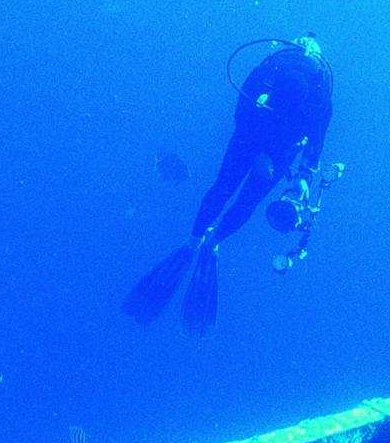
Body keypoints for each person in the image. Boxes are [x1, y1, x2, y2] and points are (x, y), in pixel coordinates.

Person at [125, 35, 334, 333]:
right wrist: (283, 166)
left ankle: (201, 239)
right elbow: (303, 135)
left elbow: (306, 134)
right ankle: (208, 239)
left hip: (266, 141)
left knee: (229, 191)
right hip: (266, 142)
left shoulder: (295, 79)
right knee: (238, 195)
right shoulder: (295, 77)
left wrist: (287, 166)